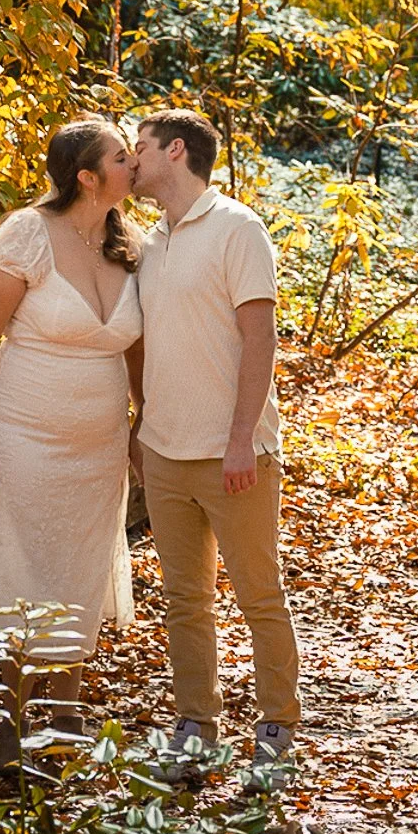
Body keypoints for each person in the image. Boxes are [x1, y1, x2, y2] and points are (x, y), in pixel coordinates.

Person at [0, 118, 142, 767]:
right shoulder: (26, 235)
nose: (134, 163)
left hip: (99, 446)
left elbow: (137, 347)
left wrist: (143, 425)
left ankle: (65, 715)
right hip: (21, 435)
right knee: (16, 570)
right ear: (86, 177)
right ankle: (8, 721)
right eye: (121, 156)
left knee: (79, 569)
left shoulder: (129, 243)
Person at [129, 106, 300, 779]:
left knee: (260, 595)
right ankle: (197, 727)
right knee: (185, 600)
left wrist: (239, 439)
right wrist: (140, 428)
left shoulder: (238, 228)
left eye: (138, 146)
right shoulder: (150, 241)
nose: (130, 158)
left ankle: (277, 730)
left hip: (236, 454)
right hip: (165, 452)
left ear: (174, 151)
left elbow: (261, 338)